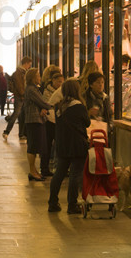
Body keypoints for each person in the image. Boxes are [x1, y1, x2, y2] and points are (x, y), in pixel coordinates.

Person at [47, 79, 91, 215]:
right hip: (77, 145)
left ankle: (53, 203)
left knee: (59, 173)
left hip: (62, 144)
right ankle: (72, 205)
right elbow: (87, 123)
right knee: (75, 174)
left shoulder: (59, 106)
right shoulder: (78, 106)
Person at [21, 67, 53, 180]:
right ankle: (32, 171)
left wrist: (44, 108)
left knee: (35, 147)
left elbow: (40, 104)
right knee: (33, 147)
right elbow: (42, 102)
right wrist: (52, 106)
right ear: (33, 78)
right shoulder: (31, 89)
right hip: (34, 120)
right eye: (38, 76)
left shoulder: (33, 88)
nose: (40, 78)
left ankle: (34, 171)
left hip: (36, 120)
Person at [2, 56, 32, 142]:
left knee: (21, 116)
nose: (29, 67)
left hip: (22, 97)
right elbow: (20, 86)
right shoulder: (19, 73)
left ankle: (21, 134)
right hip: (20, 97)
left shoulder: (22, 72)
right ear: (25, 63)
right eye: (29, 65)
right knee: (16, 115)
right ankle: (6, 132)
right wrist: (24, 95)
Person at [41, 68, 64, 170]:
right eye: (59, 81)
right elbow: (48, 105)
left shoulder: (61, 92)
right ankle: (44, 167)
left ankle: (57, 166)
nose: (60, 84)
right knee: (47, 145)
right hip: (49, 121)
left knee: (59, 145)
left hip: (58, 121)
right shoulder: (47, 92)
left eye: (62, 82)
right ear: (53, 81)